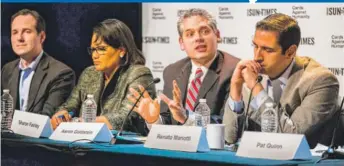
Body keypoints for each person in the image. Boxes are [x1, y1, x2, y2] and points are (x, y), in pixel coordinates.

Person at [222, 13, 339, 148]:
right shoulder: (252, 74)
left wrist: (256, 88)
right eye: (255, 46)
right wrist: (235, 88)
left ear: (290, 52)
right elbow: (229, 138)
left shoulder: (320, 81)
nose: (257, 56)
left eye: (267, 49)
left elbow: (288, 139)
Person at [127, 8, 240, 126]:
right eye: (190, 34)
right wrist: (154, 120)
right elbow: (168, 121)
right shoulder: (172, 72)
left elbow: (227, 125)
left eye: (204, 31)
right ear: (181, 43)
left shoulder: (233, 71)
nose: (198, 38)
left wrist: (186, 118)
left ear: (217, 35)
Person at [51, 19, 156, 135]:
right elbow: (70, 105)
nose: (95, 56)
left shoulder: (139, 74)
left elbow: (126, 118)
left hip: (120, 147)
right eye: (93, 50)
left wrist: (83, 123)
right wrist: (61, 114)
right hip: (84, 142)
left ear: (121, 50)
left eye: (101, 49)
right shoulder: (89, 73)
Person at [1, 9, 75, 117]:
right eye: (15, 32)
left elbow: (45, 118)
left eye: (27, 31)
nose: (19, 38)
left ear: (42, 37)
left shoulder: (62, 74)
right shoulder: (7, 69)